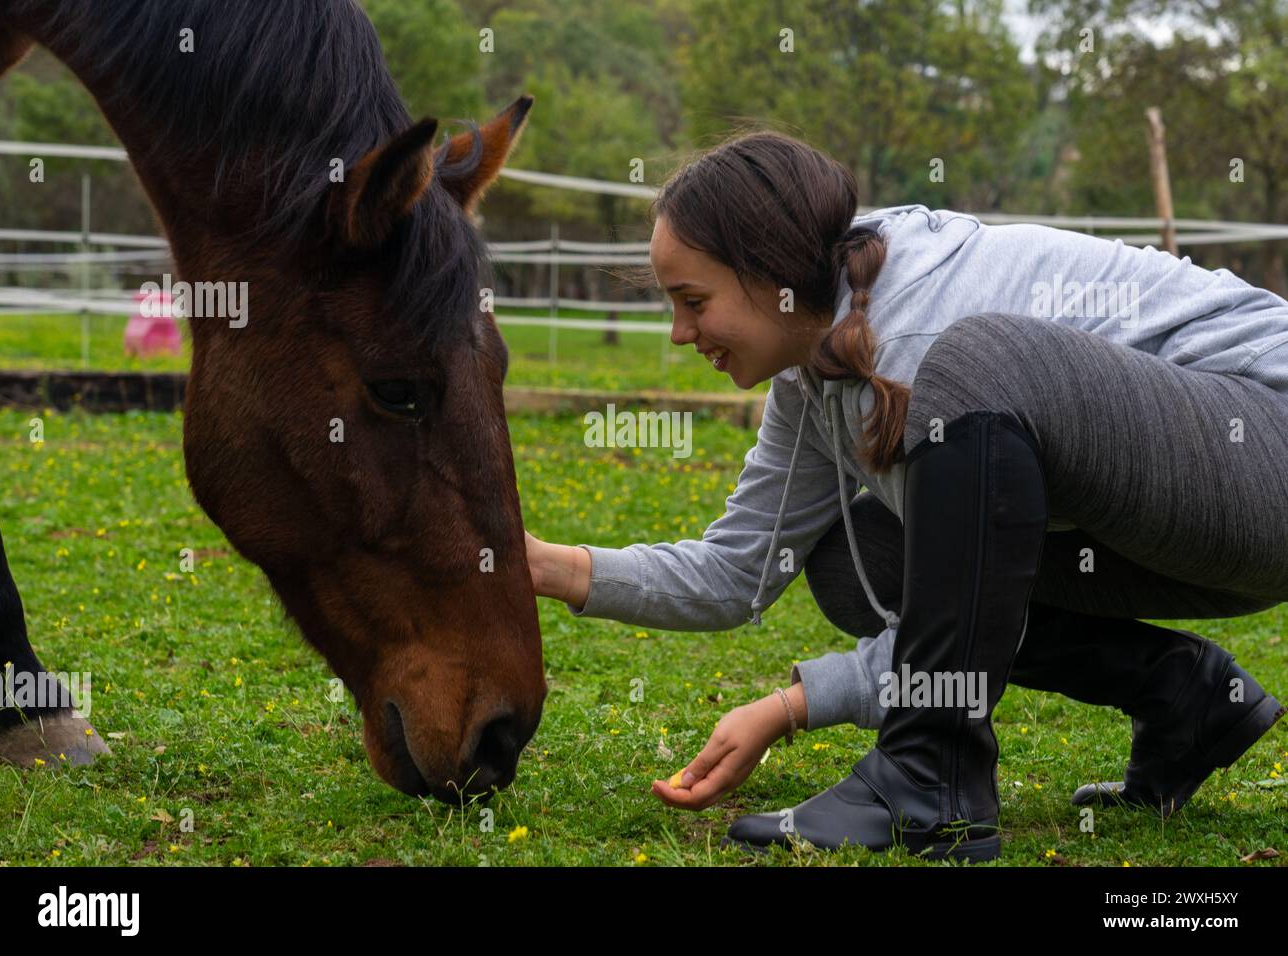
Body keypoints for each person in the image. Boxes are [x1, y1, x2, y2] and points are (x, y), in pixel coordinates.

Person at [523, 130, 1287, 861]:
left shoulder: (920, 335)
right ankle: (1186, 695)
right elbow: (737, 573)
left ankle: (929, 775)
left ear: (768, 273)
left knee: (974, 362)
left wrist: (795, 703)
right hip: (1177, 535)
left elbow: (963, 602)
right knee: (863, 560)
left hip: (1262, 454)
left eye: (693, 301)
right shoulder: (811, 369)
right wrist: (547, 568)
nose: (680, 334)